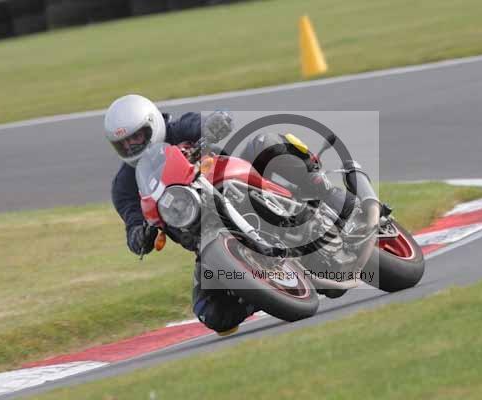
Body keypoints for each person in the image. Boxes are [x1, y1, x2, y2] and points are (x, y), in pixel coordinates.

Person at [105, 94, 351, 335]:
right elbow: (132, 223)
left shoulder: (176, 129)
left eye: (136, 136)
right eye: (123, 143)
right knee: (211, 313)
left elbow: (202, 123)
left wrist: (216, 122)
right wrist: (139, 237)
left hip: (232, 186)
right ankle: (266, 290)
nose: (131, 146)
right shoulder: (123, 187)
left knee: (265, 143)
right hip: (202, 234)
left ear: (153, 125)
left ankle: (325, 191)